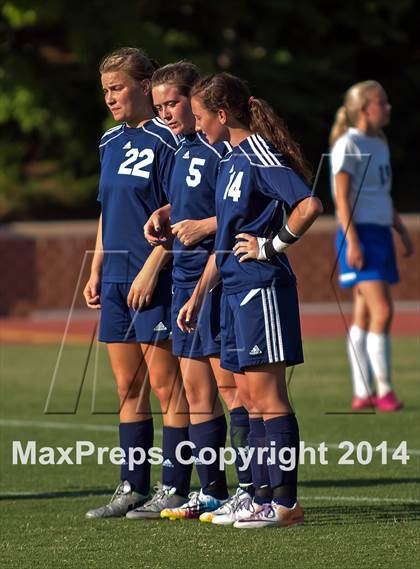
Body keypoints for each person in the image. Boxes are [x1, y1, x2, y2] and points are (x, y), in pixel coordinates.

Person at [177, 72, 323, 528]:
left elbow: (308, 205)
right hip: (234, 291)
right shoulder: (228, 160)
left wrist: (272, 245)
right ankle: (261, 496)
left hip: (262, 287)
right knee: (249, 397)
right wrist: (201, 294)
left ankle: (285, 505)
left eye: (201, 117)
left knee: (268, 397)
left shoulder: (258, 152)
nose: (198, 126)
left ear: (222, 114)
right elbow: (225, 239)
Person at [83, 47, 191, 519]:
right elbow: (108, 210)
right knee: (128, 388)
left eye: (118, 87)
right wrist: (95, 267)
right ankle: (132, 486)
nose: (109, 97)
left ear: (145, 85)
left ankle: (177, 487)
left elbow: (182, 213)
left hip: (157, 279)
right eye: (105, 90)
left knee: (169, 387)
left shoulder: (171, 143)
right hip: (115, 282)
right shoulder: (109, 142)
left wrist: (152, 266)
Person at [142, 62, 253, 521]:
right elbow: (189, 200)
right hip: (183, 276)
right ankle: (211, 491)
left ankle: (252, 490)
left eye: (172, 103)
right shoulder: (182, 148)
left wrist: (205, 225)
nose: (165, 113)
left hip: (215, 276)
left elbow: (237, 210)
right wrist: (165, 214)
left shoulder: (220, 151)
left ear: (196, 100)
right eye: (159, 106)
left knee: (230, 387)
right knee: (193, 387)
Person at [330, 80, 414, 412]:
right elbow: (341, 199)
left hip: (379, 233)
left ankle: (362, 393)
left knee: (365, 315)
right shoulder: (347, 145)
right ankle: (384, 390)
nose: (388, 107)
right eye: (383, 102)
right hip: (360, 234)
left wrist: (400, 230)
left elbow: (381, 194)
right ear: (366, 108)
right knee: (383, 311)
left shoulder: (379, 143)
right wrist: (352, 241)